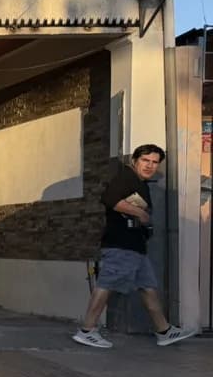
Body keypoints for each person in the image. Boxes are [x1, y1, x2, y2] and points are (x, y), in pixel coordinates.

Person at [72, 144, 197, 349]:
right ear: (135, 161)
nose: (150, 165)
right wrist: (140, 214)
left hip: (136, 247)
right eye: (145, 160)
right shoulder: (126, 177)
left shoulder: (140, 183)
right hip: (122, 244)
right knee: (107, 284)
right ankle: (87, 330)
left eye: (154, 162)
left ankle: (164, 331)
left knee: (148, 288)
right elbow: (109, 199)